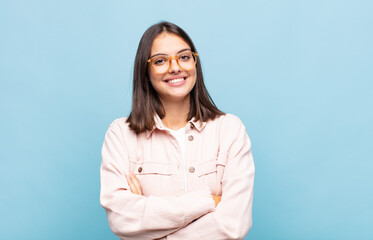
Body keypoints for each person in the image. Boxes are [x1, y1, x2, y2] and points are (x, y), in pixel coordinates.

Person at [100, 21, 255, 240]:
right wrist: (208, 202)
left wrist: (148, 224)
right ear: (145, 71)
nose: (175, 67)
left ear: (195, 63)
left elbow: (233, 225)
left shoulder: (229, 129)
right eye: (160, 61)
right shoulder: (120, 134)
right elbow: (121, 219)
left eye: (184, 57)